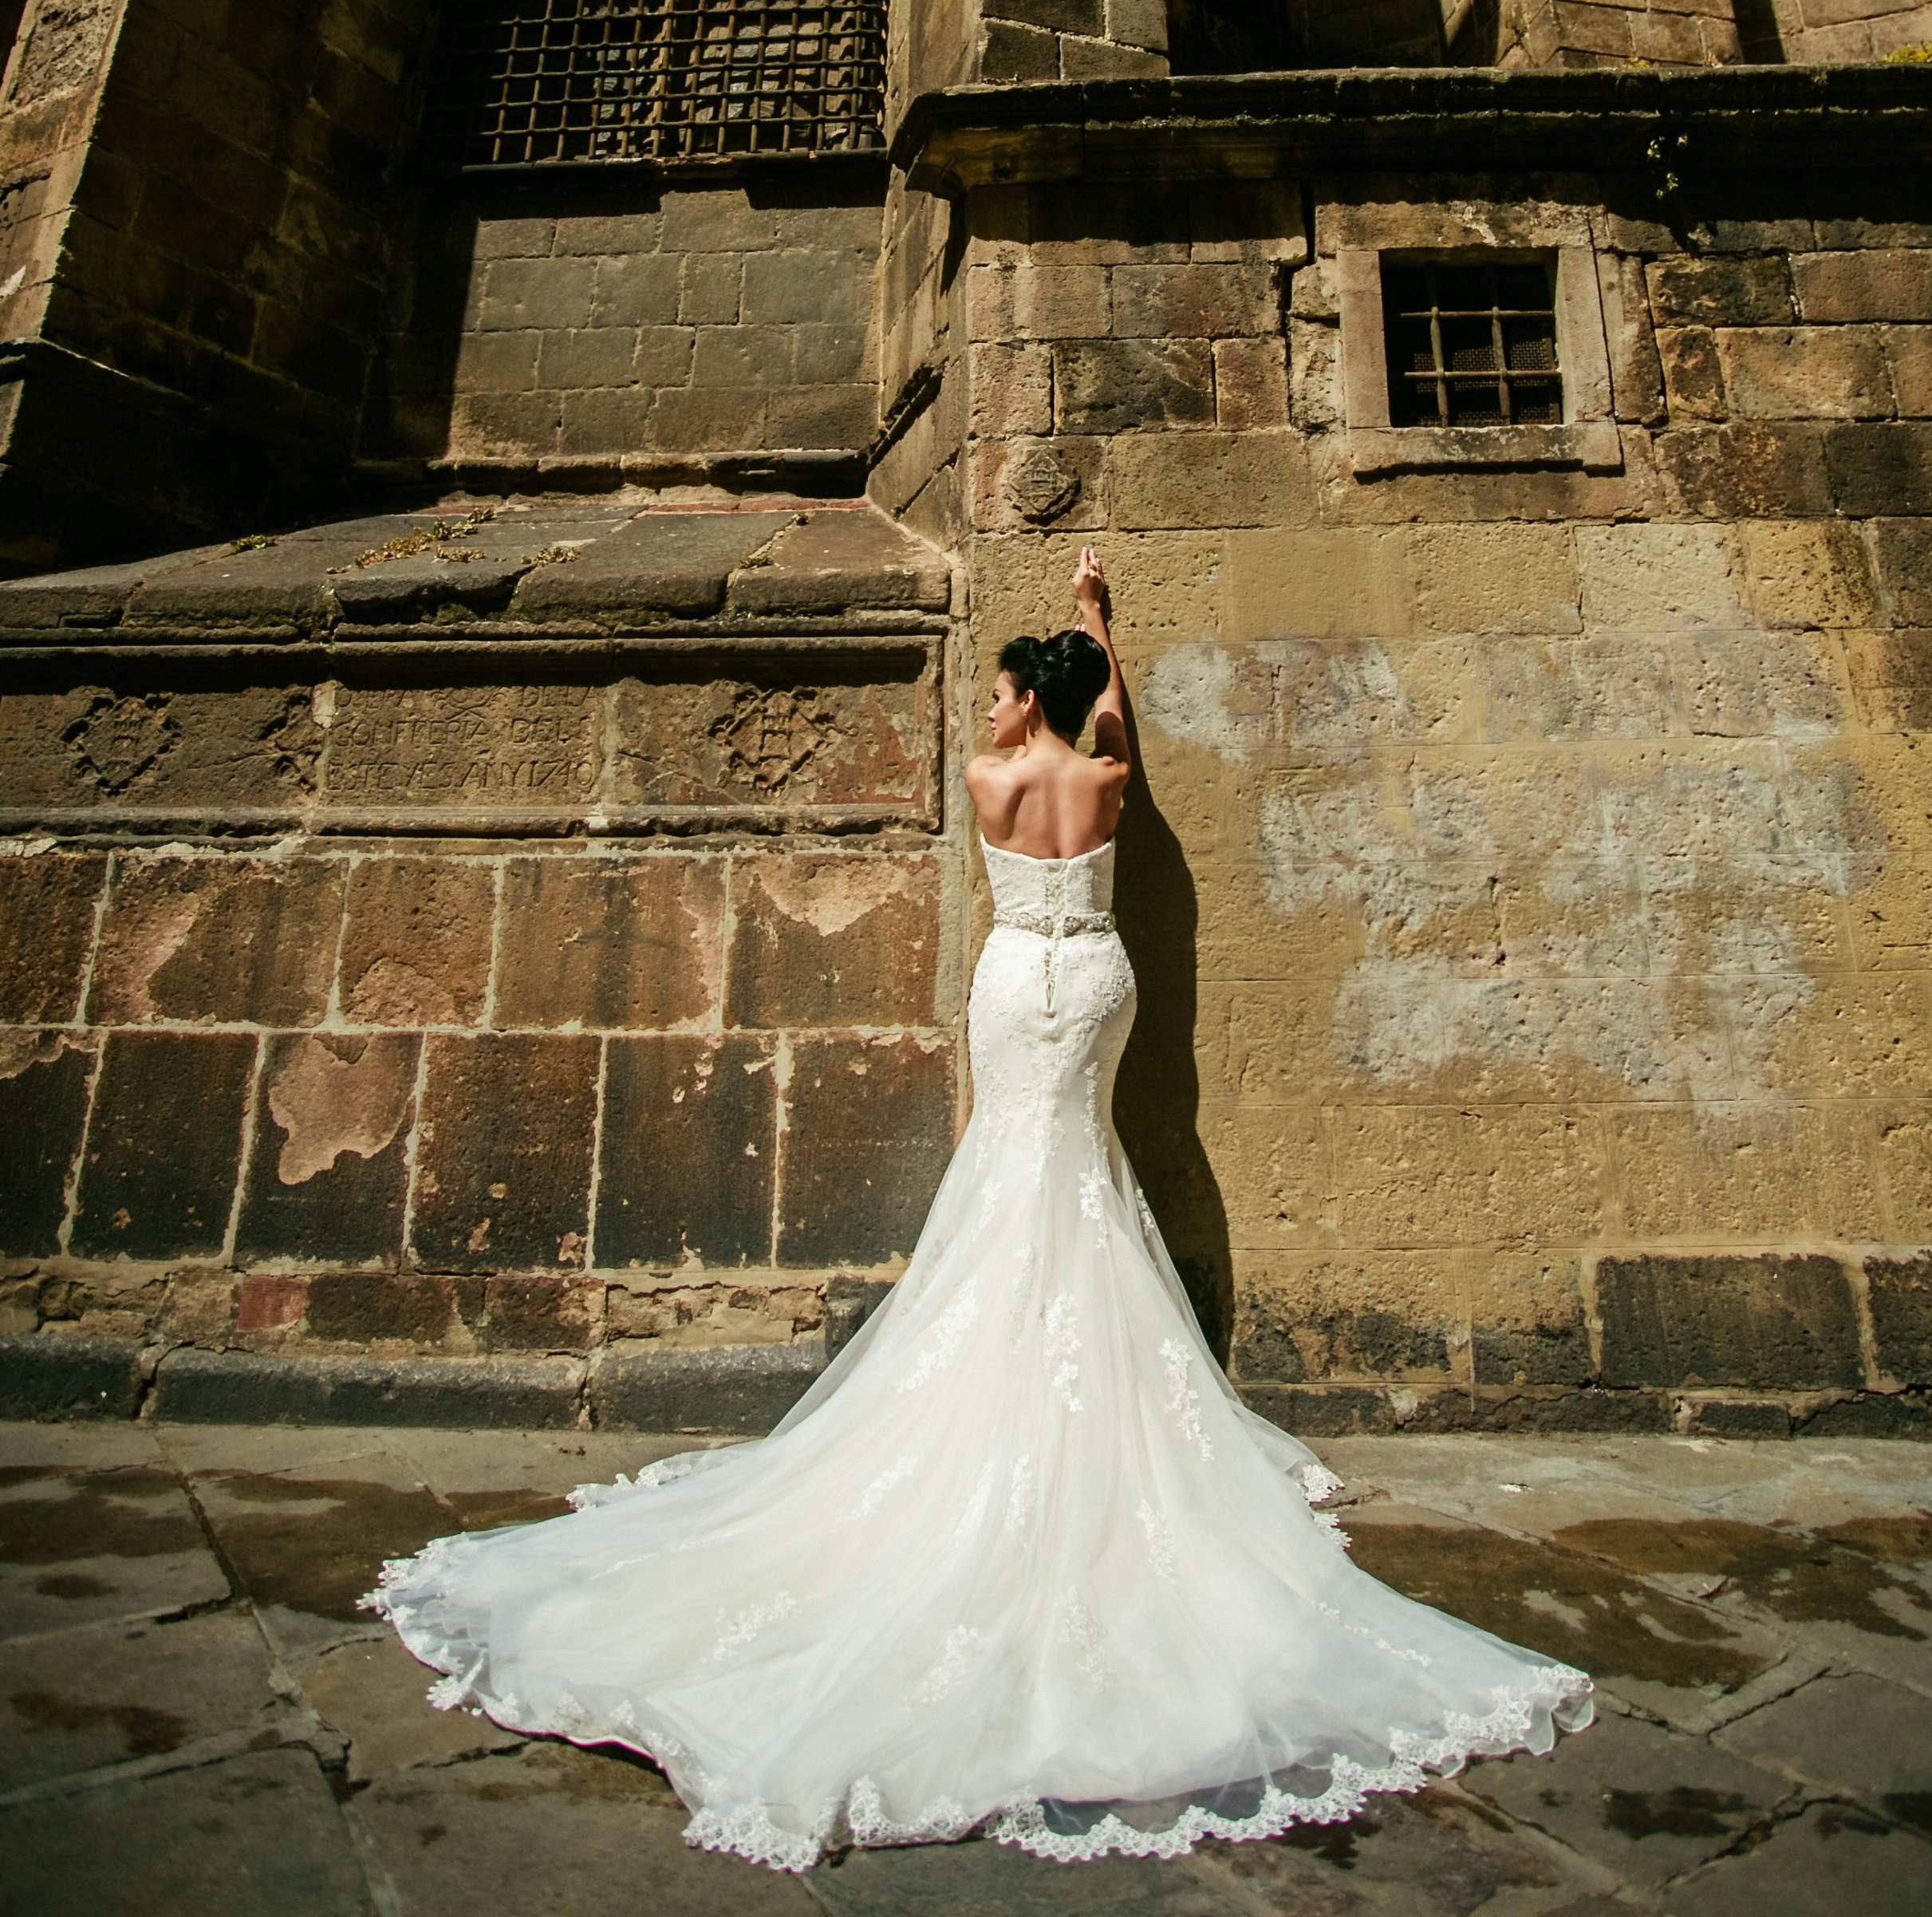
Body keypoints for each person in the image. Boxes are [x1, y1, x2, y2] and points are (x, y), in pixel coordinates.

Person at [369, 549, 1591, 1867]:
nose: (993, 708)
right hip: (1099, 982)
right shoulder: (1108, 782)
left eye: (1007, 690)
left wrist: (1070, 642)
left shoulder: (988, 782)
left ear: (1022, 704)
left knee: (1018, 1158)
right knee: (1083, 1159)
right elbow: (1116, 724)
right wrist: (1093, 628)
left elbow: (1066, 727)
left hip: (1020, 981)